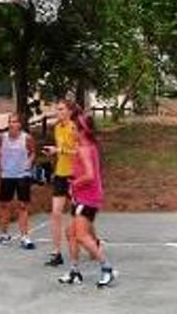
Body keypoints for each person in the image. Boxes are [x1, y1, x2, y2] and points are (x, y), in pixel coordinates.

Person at [58, 110, 115, 287]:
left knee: (81, 235)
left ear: (82, 131)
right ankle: (75, 272)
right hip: (82, 197)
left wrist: (74, 184)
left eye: (74, 128)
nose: (71, 132)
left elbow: (90, 175)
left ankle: (107, 268)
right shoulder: (87, 146)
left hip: (87, 198)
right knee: (70, 233)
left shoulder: (84, 149)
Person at [0, 113, 37, 249]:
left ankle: (25, 237)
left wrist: (29, 161)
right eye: (10, 122)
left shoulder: (27, 138)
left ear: (19, 124)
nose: (12, 124)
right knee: (4, 205)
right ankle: (3, 234)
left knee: (23, 206)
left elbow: (33, 152)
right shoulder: (2, 138)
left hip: (22, 175)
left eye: (15, 122)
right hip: (7, 175)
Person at [44, 99, 78, 267]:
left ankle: (92, 241)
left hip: (75, 176)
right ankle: (56, 253)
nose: (58, 112)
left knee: (77, 215)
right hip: (60, 174)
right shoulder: (57, 128)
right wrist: (54, 151)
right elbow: (61, 151)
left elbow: (79, 152)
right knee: (56, 213)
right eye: (57, 109)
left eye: (61, 109)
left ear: (69, 111)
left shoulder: (75, 128)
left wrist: (60, 150)